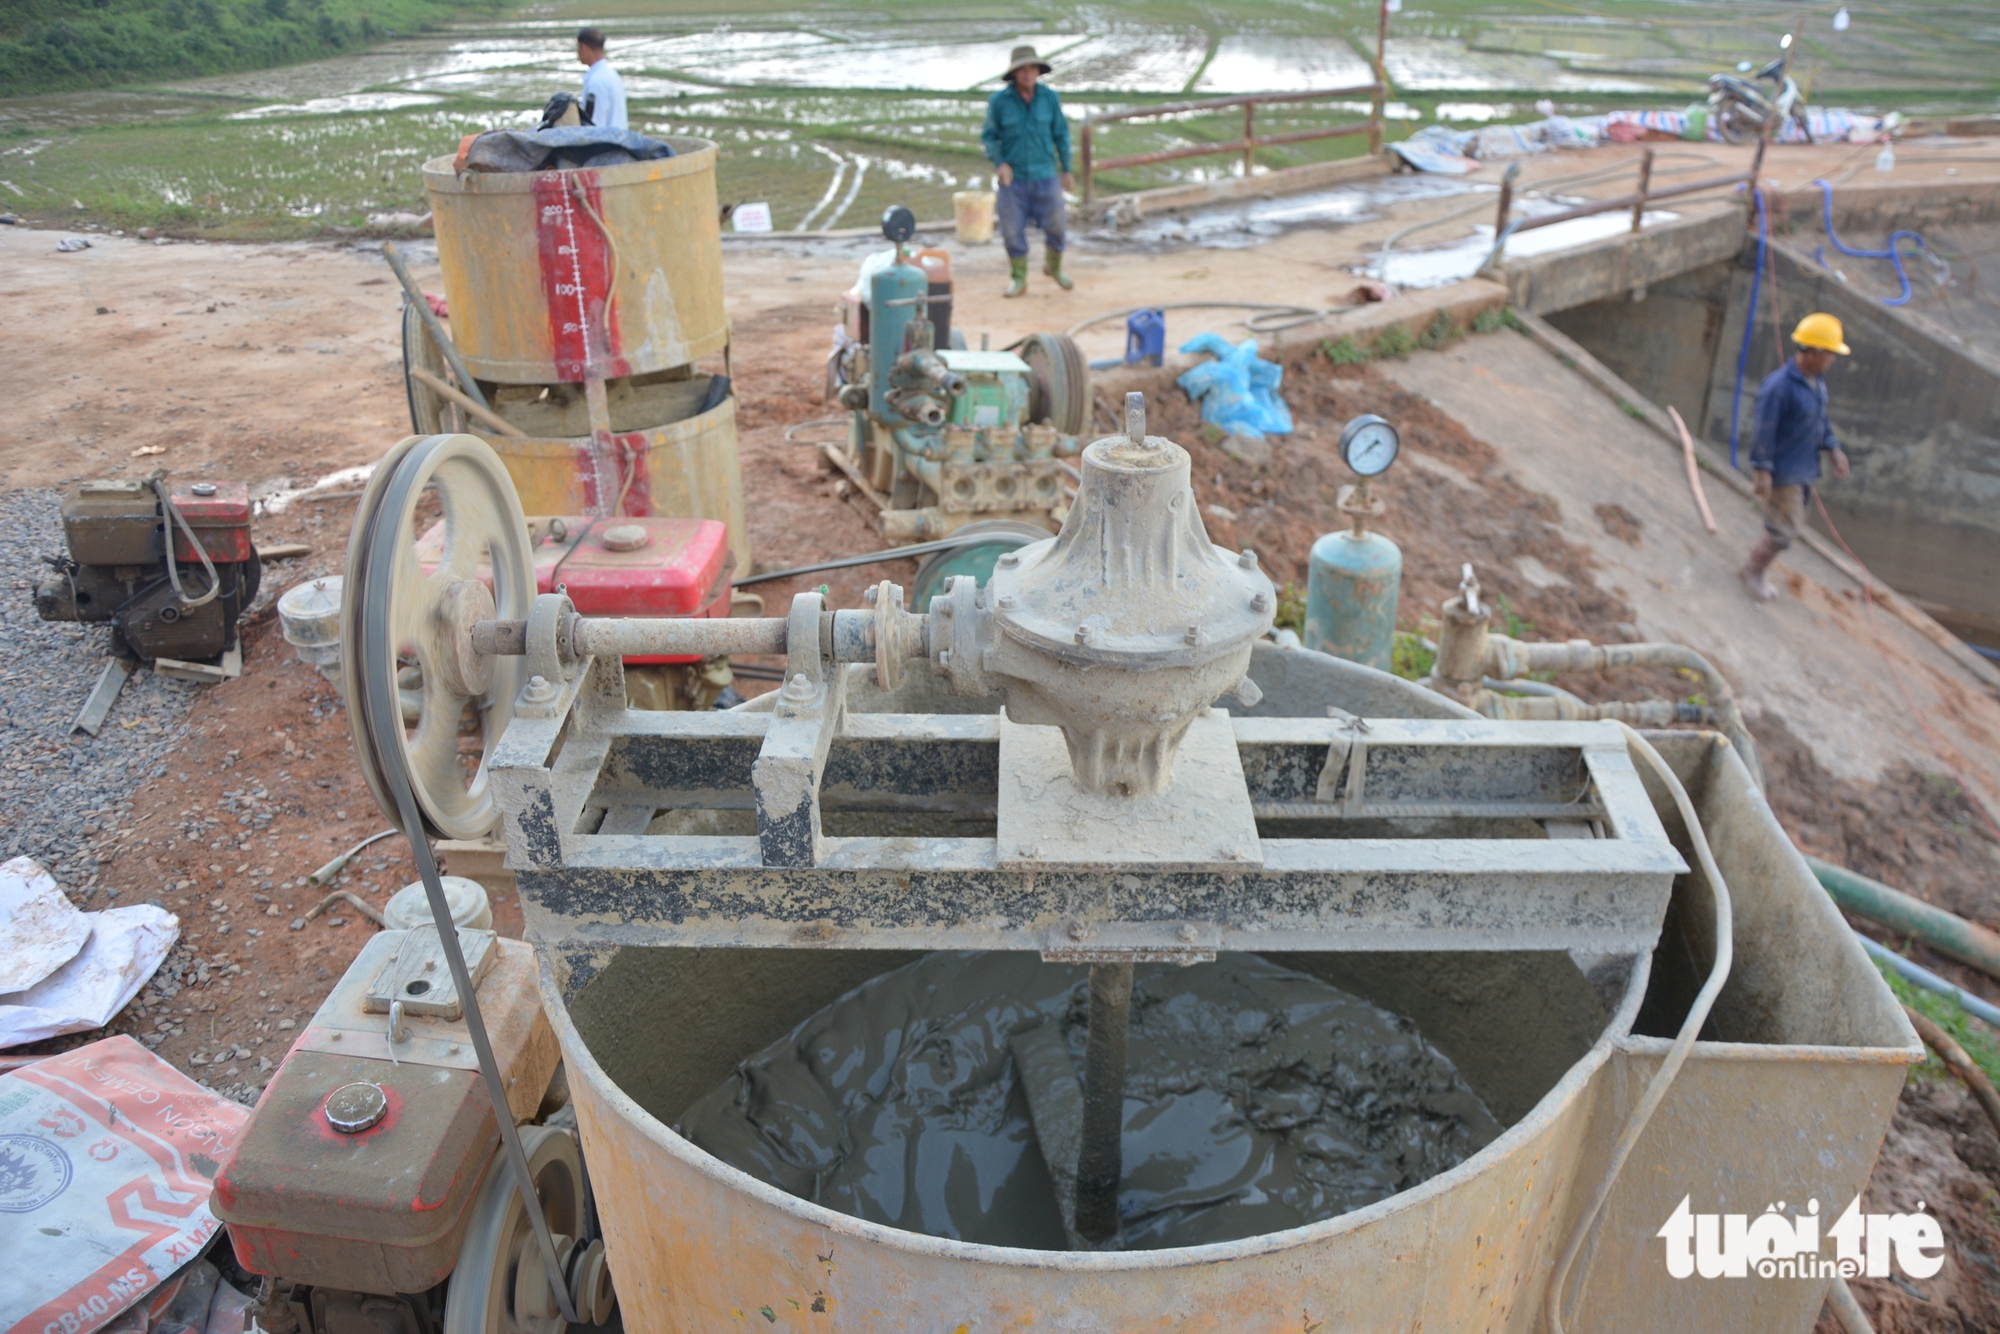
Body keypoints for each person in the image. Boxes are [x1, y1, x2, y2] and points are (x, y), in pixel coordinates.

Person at [1741, 312, 1853, 601]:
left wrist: (1833, 448)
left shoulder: (1816, 383)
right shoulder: (1779, 387)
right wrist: (1762, 468)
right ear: (1814, 353)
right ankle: (1753, 571)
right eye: (1830, 354)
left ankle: (1754, 567)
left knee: (1792, 523)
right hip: (1784, 471)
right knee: (1784, 531)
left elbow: (1820, 420)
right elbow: (1763, 429)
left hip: (1804, 468)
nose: (1833, 360)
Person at [981, 45, 1074, 298]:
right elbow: (988, 137)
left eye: (1032, 68)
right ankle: (1019, 279)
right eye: (1022, 69)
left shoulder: (1049, 98)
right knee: (1011, 230)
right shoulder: (999, 102)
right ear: (1014, 74)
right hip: (1014, 180)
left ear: (1038, 71)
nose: (1028, 73)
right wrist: (1000, 162)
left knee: (1057, 226)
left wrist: (1067, 169)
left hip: (1045, 174)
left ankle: (1054, 267)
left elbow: (1061, 134)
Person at [575, 27, 627, 131]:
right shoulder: (612, 75)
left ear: (583, 47)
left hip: (606, 146)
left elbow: (594, 127)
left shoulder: (597, 82)